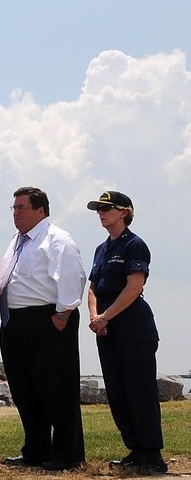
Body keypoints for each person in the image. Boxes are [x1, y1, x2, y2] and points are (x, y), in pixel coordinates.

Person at [0, 186, 86, 471]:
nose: (15, 213)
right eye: (13, 208)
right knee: (25, 390)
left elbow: (73, 277)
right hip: (15, 321)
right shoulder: (17, 240)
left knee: (57, 388)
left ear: (40, 210)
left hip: (48, 319)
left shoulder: (57, 239)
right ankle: (35, 450)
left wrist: (61, 316)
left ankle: (66, 453)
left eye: (21, 207)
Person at [86, 191, 167, 474]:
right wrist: (95, 317)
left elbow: (134, 287)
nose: (101, 213)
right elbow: (93, 287)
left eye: (107, 209)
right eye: (99, 209)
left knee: (139, 390)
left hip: (132, 326)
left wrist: (105, 316)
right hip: (106, 328)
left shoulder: (135, 245)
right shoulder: (101, 248)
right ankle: (135, 449)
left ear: (124, 212)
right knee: (118, 391)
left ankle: (151, 454)